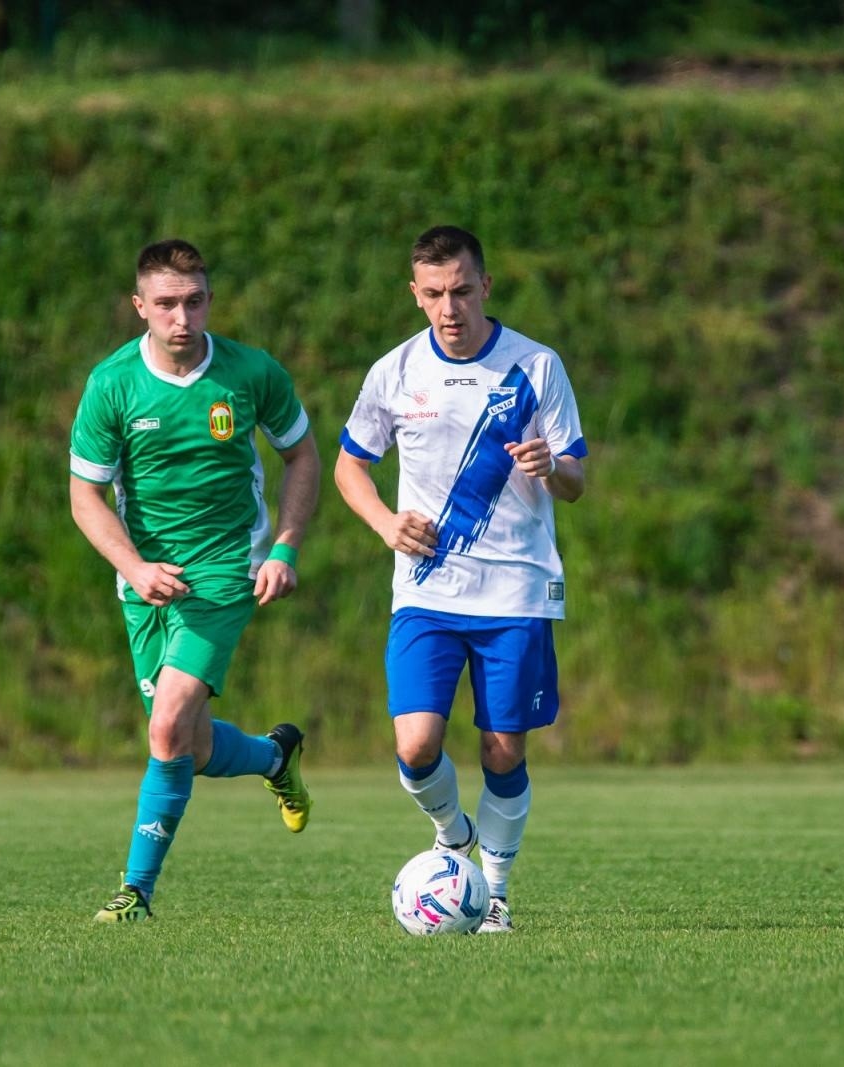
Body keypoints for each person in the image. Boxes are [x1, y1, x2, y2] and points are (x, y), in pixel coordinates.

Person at [334, 225, 587, 934]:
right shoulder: (395, 371)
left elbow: (576, 477)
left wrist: (552, 468)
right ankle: (452, 835)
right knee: (415, 746)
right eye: (435, 293)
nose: (451, 306)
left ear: (486, 287)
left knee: (503, 748)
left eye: (463, 290)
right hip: (425, 591)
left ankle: (496, 892)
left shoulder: (536, 367)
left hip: (516, 590)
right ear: (415, 296)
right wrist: (386, 523)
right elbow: (350, 464)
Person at [69, 238, 321, 922]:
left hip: (224, 570)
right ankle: (274, 757)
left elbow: (301, 454)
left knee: (167, 724)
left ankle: (134, 892)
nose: (182, 318)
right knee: (192, 744)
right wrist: (134, 567)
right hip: (146, 580)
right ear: (139, 307)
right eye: (167, 305)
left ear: (209, 299)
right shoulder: (112, 384)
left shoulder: (249, 373)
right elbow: (85, 495)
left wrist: (285, 550)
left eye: (194, 301)